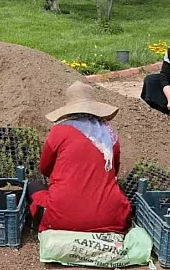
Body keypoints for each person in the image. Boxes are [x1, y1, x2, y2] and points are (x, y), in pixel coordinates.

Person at [29, 81, 132, 233]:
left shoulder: (59, 131)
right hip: (109, 215)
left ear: (69, 110)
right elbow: (114, 171)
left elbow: (45, 167)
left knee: (34, 186)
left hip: (63, 216)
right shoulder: (109, 135)